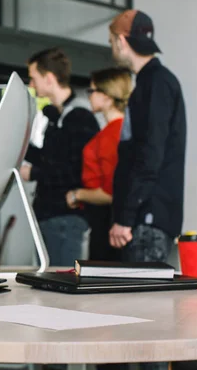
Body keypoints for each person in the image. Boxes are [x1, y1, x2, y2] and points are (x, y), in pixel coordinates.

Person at [108, 10, 187, 370]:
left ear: (123, 41)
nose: (112, 47)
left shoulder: (156, 83)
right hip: (145, 216)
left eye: (111, 41)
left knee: (145, 334)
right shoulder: (151, 83)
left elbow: (150, 155)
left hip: (146, 219)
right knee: (138, 331)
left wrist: (125, 218)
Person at [20, 48, 100, 266]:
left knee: (62, 290)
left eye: (34, 78)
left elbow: (75, 170)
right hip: (50, 216)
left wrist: (33, 172)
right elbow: (51, 159)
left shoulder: (79, 117)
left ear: (49, 78)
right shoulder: (57, 117)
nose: (31, 84)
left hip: (64, 217)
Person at [66, 68, 132, 262]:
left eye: (92, 91)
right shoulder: (118, 131)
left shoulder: (113, 133)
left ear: (107, 97)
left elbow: (110, 192)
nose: (90, 96)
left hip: (107, 222)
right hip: (103, 220)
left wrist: (76, 194)